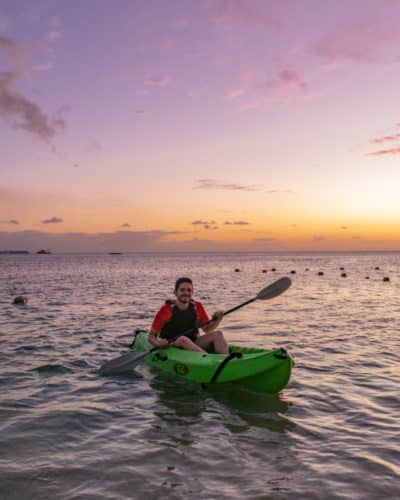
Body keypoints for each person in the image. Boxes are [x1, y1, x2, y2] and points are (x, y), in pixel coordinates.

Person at [148, 277, 229, 354]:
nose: (186, 293)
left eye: (189, 290)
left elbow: (207, 329)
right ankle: (208, 359)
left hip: (193, 343)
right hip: (173, 345)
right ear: (175, 293)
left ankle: (227, 360)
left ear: (192, 293)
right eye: (182, 290)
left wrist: (218, 320)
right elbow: (151, 336)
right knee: (183, 340)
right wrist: (158, 344)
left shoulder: (197, 306)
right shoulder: (166, 309)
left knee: (218, 334)